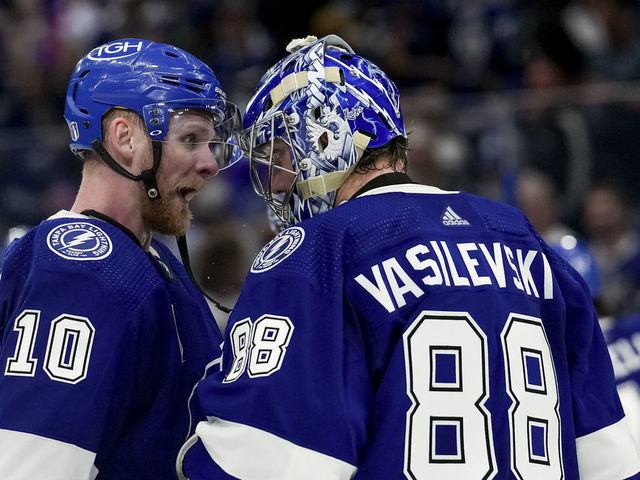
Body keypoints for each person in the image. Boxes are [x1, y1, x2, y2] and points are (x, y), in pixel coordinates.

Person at [179, 35, 640, 479]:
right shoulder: (524, 237)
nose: (276, 185)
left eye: (279, 156)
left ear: (323, 140)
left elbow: (267, 462)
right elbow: (611, 461)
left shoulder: (319, 251)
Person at [0, 38, 242, 479]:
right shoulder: (82, 268)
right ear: (125, 137)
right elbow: (34, 464)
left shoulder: (149, 263)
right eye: (191, 138)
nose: (210, 163)